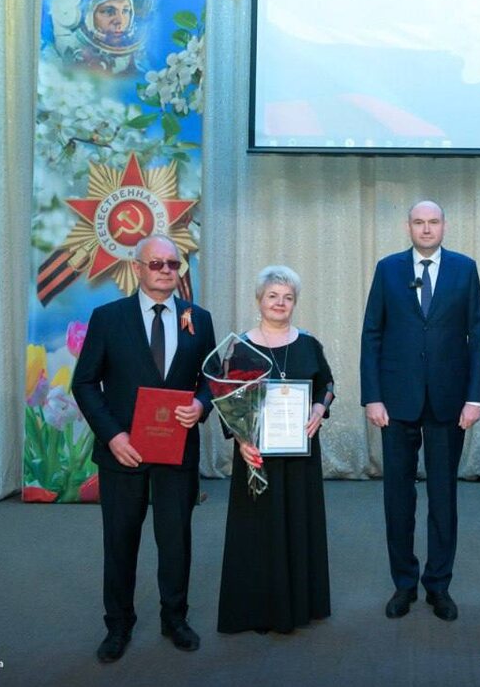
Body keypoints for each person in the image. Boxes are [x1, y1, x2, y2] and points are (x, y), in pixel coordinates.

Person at [71, 234, 217, 662]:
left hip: (177, 450)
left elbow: (211, 379)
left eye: (173, 264)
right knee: (120, 541)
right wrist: (113, 436)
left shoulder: (198, 318)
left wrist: (201, 404)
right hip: (123, 452)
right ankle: (118, 625)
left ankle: (175, 618)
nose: (166, 271)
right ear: (137, 268)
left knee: (176, 540)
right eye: (157, 264)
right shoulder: (107, 318)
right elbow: (84, 383)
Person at [360, 200, 480, 622]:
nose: (427, 228)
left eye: (433, 222)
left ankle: (439, 585)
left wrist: (475, 397)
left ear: (444, 225)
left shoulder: (465, 269)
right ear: (408, 227)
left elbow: (478, 334)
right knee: (398, 497)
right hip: (396, 401)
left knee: (443, 496)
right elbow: (372, 333)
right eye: (419, 222)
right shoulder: (388, 269)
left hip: (449, 401)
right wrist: (372, 396)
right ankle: (403, 584)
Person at [218, 266, 334, 634]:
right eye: (273, 296)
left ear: (295, 302)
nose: (280, 303)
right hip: (257, 455)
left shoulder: (309, 344)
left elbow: (327, 385)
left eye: (287, 297)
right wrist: (241, 440)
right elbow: (226, 400)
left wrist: (319, 409)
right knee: (257, 529)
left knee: (299, 523)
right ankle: (258, 611)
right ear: (259, 300)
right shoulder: (239, 348)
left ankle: (300, 606)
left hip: (301, 457)